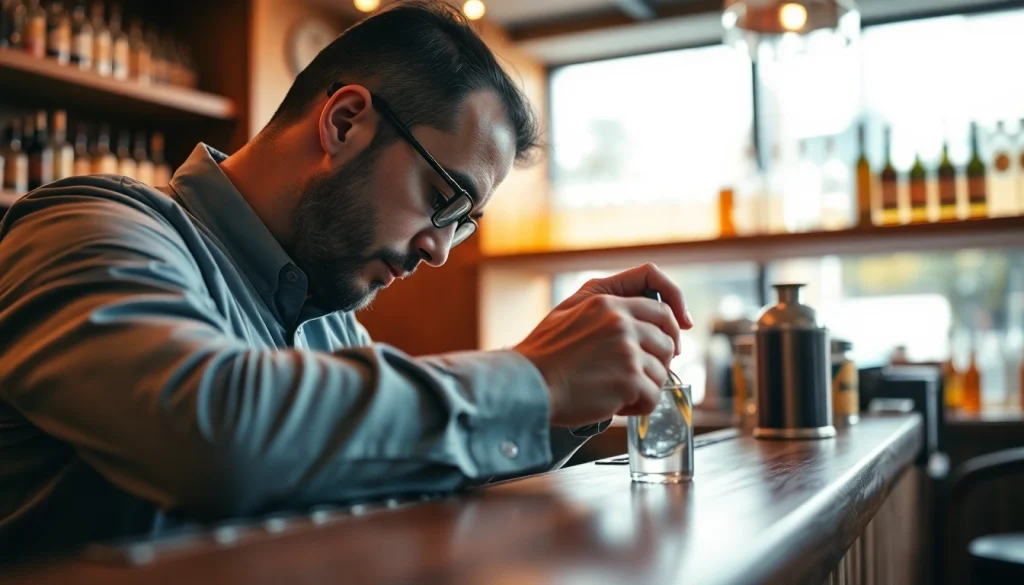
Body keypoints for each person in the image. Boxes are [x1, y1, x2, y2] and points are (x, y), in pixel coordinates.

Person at [0, 0, 691, 556]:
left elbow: (405, 473)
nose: (440, 250)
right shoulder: (85, 225)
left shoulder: (333, 322)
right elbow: (210, 437)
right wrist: (534, 376)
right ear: (345, 121)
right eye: (444, 198)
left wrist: (566, 391)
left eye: (465, 222)